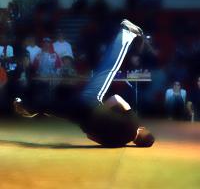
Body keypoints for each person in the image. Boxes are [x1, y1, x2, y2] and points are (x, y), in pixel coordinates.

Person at [14, 19, 155, 147]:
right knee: (53, 107)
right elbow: (90, 137)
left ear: (143, 131)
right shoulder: (117, 143)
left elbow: (116, 99)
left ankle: (126, 33)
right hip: (82, 119)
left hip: (92, 104)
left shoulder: (134, 124)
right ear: (137, 143)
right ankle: (28, 107)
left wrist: (103, 109)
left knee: (108, 69)